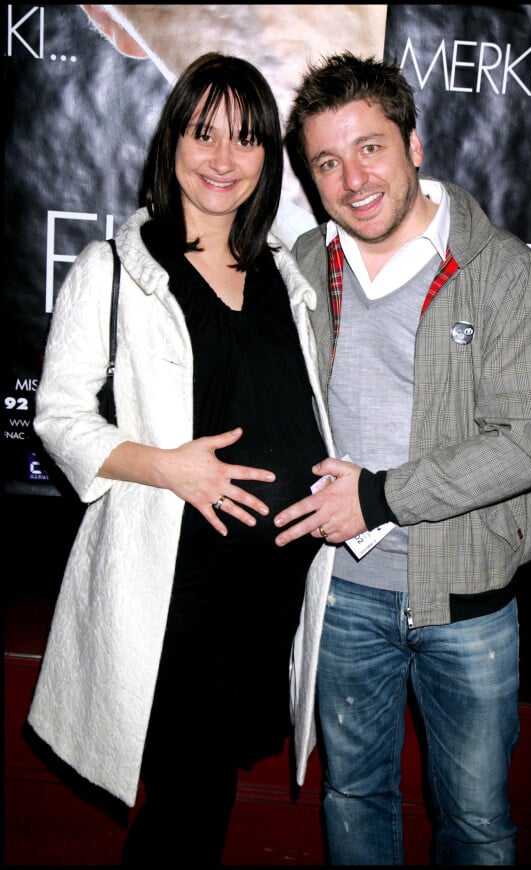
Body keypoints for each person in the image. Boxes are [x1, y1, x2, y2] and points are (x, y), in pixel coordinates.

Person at [27, 52, 335, 866]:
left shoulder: (285, 277)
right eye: (203, 134)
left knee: (206, 798)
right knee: (187, 800)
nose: (222, 158)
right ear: (171, 143)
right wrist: (169, 466)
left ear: (269, 155)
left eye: (245, 138)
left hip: (264, 599)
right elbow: (58, 417)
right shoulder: (117, 270)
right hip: (174, 588)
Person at [273, 52, 531, 865]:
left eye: (370, 147)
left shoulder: (500, 272)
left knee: (474, 824)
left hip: (466, 601)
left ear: (415, 144)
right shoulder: (301, 267)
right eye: (327, 161)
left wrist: (380, 497)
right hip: (343, 599)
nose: (352, 178)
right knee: (353, 798)